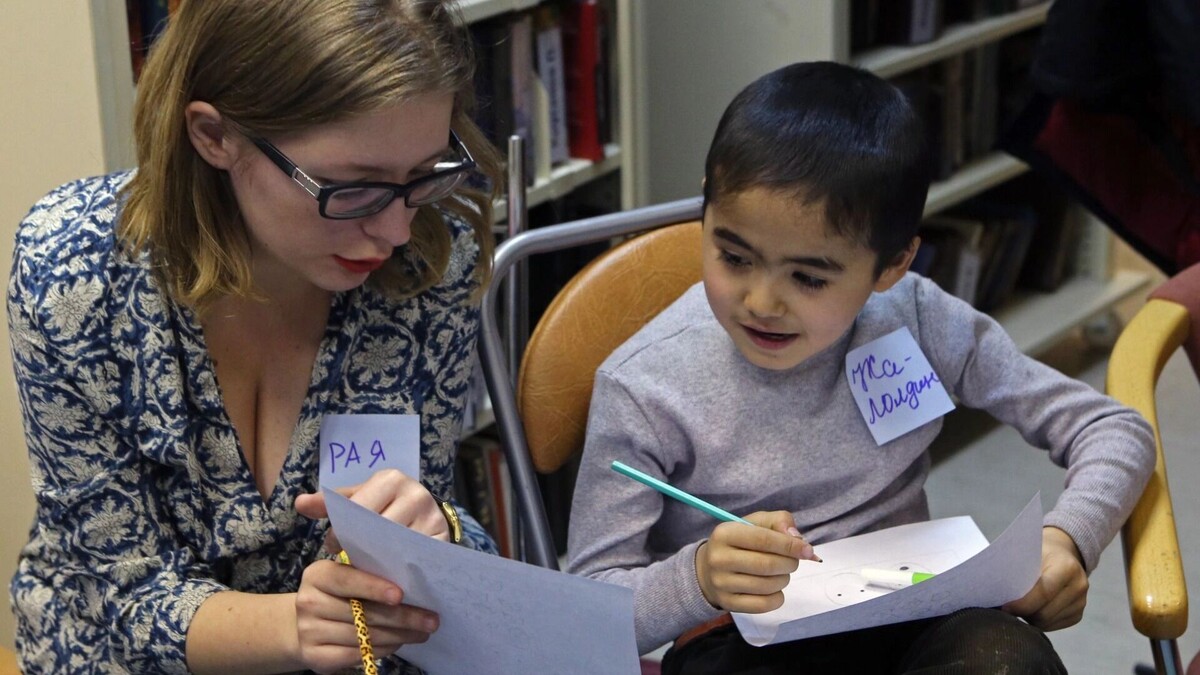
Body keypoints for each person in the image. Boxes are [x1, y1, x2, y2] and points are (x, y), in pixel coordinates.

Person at [567, 61, 1158, 674]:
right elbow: (586, 612)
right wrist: (697, 579)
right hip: (739, 636)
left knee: (1004, 658)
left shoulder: (917, 319)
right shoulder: (643, 385)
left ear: (893, 266)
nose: (762, 302)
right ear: (705, 211)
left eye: (809, 277)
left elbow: (1115, 429)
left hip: (911, 608)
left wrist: (1068, 538)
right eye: (733, 255)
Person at [7, 1, 504, 673]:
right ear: (215, 136)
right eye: (352, 188)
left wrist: (437, 529)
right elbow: (121, 591)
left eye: (423, 174)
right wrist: (299, 625)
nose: (393, 232)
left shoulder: (428, 264)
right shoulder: (73, 273)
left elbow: (423, 525)